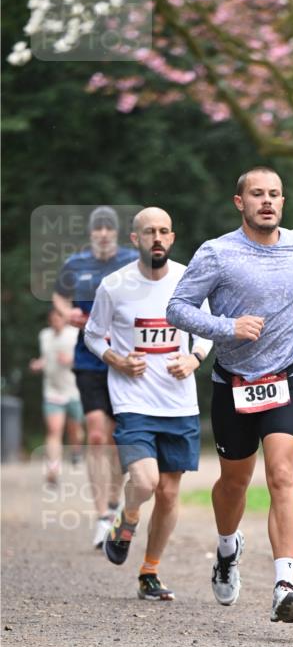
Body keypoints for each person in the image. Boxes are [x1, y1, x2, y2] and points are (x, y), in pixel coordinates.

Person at [166, 166, 293, 623]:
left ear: (283, 201)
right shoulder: (217, 253)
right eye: (257, 194)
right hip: (234, 382)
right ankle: (226, 548)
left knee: (281, 475)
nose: (267, 201)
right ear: (240, 202)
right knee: (235, 481)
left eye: (275, 194)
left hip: (286, 377)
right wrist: (227, 328)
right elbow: (176, 308)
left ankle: (285, 583)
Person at [84, 207, 212, 601]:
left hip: (179, 403)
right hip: (133, 400)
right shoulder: (114, 285)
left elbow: (208, 330)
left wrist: (194, 358)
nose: (156, 238)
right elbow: (92, 335)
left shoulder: (188, 279)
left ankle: (149, 572)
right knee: (145, 482)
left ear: (171, 238)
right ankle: (129, 515)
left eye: (163, 231)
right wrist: (116, 359)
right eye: (148, 232)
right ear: (134, 240)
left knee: (170, 495)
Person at [53, 206, 138, 548]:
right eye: (97, 229)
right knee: (97, 434)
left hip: (122, 357)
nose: (103, 233)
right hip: (88, 358)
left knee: (118, 439)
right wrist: (67, 312)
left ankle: (116, 505)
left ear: (115, 233)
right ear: (91, 233)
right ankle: (102, 516)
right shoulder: (76, 264)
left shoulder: (133, 261)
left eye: (108, 228)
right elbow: (59, 296)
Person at [29, 307, 84, 486]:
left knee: (74, 430)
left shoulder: (75, 334)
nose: (56, 322)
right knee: (54, 430)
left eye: (58, 319)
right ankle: (53, 470)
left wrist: (71, 360)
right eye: (52, 319)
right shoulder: (44, 335)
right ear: (49, 321)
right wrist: (38, 364)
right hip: (52, 391)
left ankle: (76, 450)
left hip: (74, 390)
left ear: (64, 319)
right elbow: (46, 358)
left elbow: (87, 358)